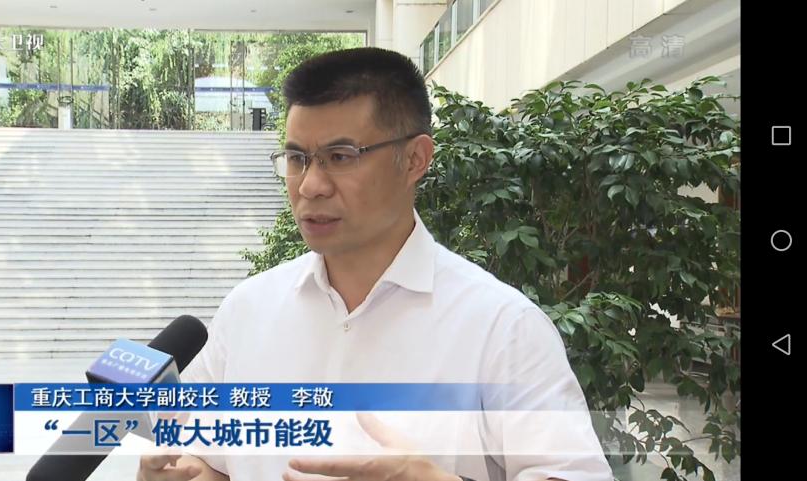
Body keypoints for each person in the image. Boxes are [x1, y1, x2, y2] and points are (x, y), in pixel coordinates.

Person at [138, 47, 612, 481]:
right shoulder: (248, 309)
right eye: (297, 158)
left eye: (340, 156)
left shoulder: (503, 327)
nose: (310, 186)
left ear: (415, 159)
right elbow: (206, 457)